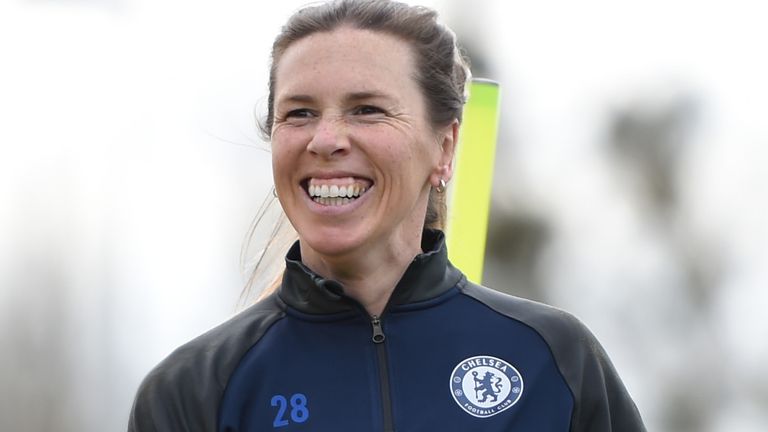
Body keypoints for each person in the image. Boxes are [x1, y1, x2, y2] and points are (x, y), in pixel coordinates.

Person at [128, 0, 646, 431]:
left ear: (444, 146)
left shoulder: (553, 361)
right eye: (300, 112)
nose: (326, 139)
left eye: (367, 109)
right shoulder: (193, 390)